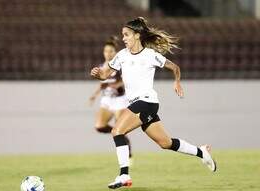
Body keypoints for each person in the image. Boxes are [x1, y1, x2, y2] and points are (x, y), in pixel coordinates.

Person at [90, 17, 217, 189]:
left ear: (137, 35)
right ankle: (202, 152)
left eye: (126, 35)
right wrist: (98, 73)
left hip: (146, 102)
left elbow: (175, 67)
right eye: (123, 35)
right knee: (166, 143)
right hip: (139, 104)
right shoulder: (122, 56)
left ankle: (124, 175)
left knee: (117, 131)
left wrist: (177, 81)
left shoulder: (150, 55)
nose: (124, 38)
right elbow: (105, 75)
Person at [89, 36, 132, 158]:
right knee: (99, 126)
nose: (108, 53)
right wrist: (94, 95)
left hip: (120, 100)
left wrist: (118, 84)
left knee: (120, 129)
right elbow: (102, 84)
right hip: (107, 100)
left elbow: (127, 79)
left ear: (116, 52)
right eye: (106, 51)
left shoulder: (120, 65)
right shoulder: (101, 66)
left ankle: (126, 156)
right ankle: (121, 136)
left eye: (111, 51)